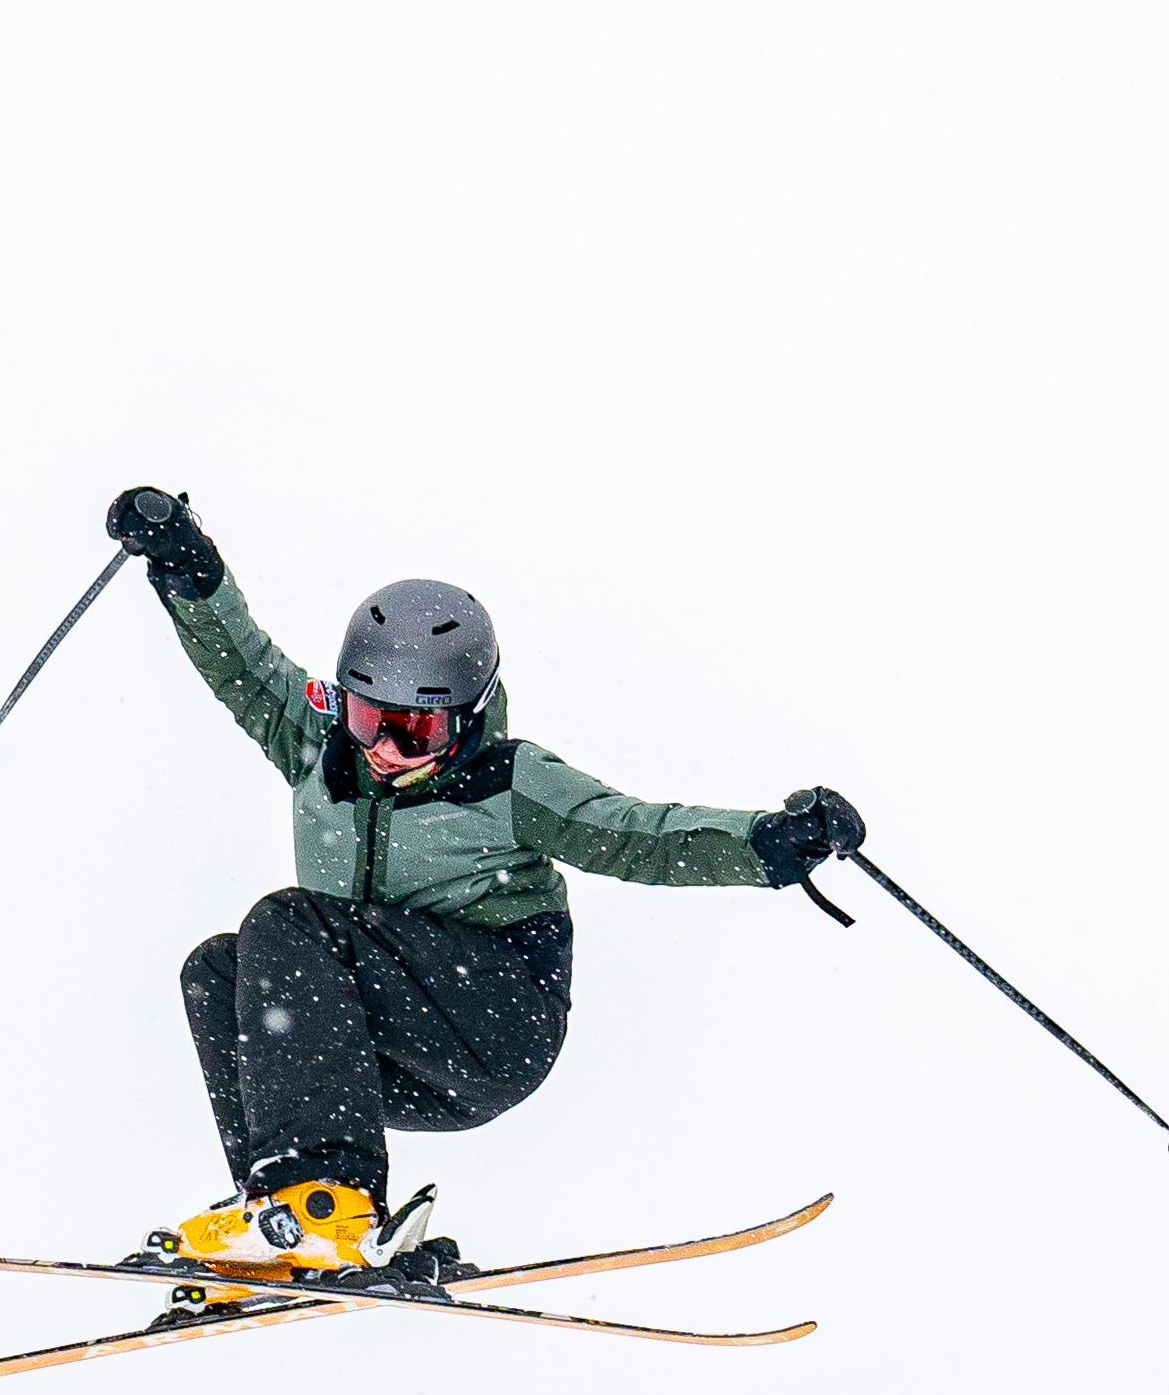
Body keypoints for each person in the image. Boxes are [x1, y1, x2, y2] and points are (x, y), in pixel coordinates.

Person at [99, 486, 860, 1285]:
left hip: (494, 1023)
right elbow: (244, 665)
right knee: (218, 971)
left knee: (290, 922)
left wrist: (769, 844)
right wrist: (187, 565)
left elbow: (641, 835)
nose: (387, 748)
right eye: (368, 719)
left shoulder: (508, 784)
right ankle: (280, 1211)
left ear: (469, 716)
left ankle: (328, 1201)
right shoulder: (319, 750)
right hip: (389, 1052)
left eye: (417, 728)